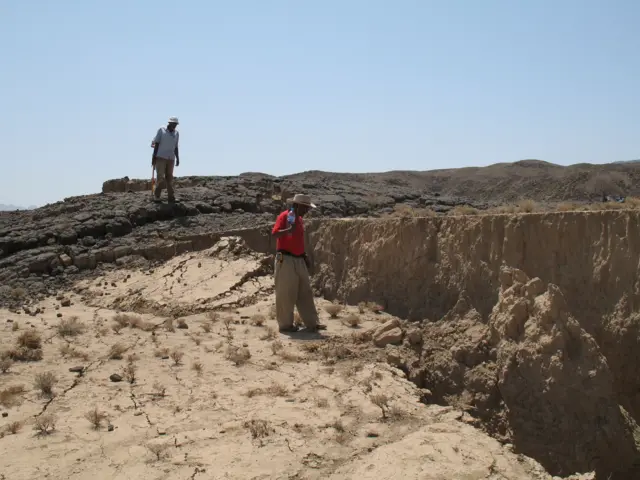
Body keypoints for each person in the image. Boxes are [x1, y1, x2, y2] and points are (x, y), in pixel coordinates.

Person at [271, 194, 326, 333]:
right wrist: (288, 230)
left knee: (305, 292)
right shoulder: (284, 216)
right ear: (296, 205)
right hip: (285, 259)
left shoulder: (300, 220)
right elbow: (275, 234)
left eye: (308, 208)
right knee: (286, 293)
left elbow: (298, 240)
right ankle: (285, 325)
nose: (307, 210)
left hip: (299, 259)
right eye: (305, 207)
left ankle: (312, 323)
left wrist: (304, 255)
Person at [151, 117, 180, 202]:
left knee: (169, 178)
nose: (174, 126)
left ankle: (171, 197)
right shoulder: (161, 130)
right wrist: (154, 157)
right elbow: (156, 144)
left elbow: (176, 147)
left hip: (171, 158)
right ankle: (157, 196)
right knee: (160, 177)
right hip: (160, 157)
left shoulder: (176, 133)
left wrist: (178, 158)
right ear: (169, 123)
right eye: (173, 124)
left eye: (175, 124)